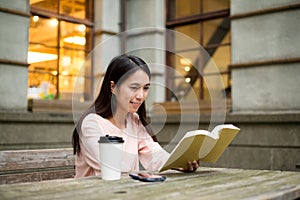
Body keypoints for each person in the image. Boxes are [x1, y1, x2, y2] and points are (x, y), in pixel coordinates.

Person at [72, 54, 200, 178]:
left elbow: (154, 154)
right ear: (113, 87)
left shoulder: (134, 121)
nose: (141, 96)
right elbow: (111, 167)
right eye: (134, 87)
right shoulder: (91, 123)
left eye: (145, 88)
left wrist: (179, 162)